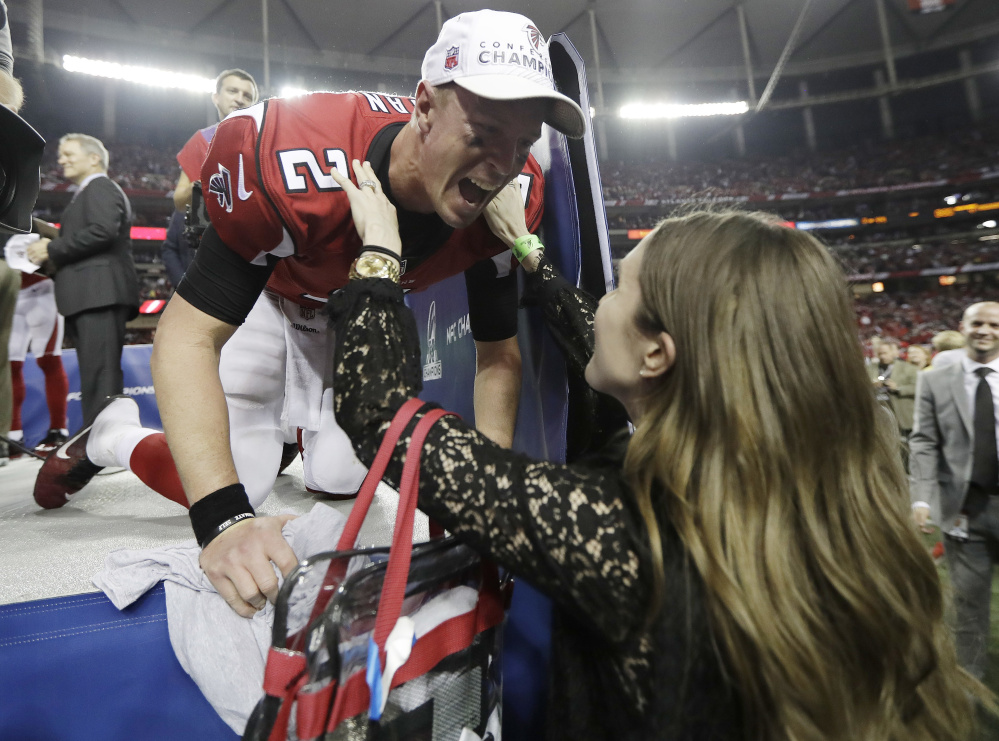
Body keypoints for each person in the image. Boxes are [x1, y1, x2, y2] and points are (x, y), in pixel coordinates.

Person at [323, 164, 989, 740]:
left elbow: (385, 416)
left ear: (656, 354)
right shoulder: (809, 492)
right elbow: (599, 340)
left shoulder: (627, 530)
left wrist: (381, 250)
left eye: (618, 287)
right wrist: (527, 249)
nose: (600, 301)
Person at [34, 10, 584, 617]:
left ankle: (300, 434)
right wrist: (223, 520)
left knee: (347, 478)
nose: (502, 164)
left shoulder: (511, 196)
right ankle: (115, 435)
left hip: (351, 309)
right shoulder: (294, 156)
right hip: (271, 293)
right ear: (424, 108)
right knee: (243, 479)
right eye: (482, 133)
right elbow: (186, 335)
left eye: (522, 142)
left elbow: (497, 354)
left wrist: (483, 498)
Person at [911, 302, 999, 682]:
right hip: (966, 509)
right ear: (962, 326)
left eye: (994, 324)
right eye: (977, 322)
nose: (985, 330)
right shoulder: (934, 380)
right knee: (968, 606)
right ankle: (971, 686)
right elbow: (925, 441)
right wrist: (921, 497)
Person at [26, 134, 139, 427]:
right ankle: (98, 440)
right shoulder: (88, 192)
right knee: (95, 374)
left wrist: (51, 247)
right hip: (90, 293)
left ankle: (104, 443)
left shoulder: (100, 187)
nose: (61, 159)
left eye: (68, 153)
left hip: (98, 293)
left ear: (93, 158)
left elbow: (103, 231)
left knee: (100, 376)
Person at [163, 69, 258, 288]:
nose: (239, 98)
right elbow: (179, 201)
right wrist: (209, 183)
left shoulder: (265, 140)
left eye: (247, 95)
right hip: (212, 251)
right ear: (216, 97)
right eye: (232, 91)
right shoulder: (201, 140)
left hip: (255, 250)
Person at [5, 234, 69, 456]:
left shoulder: (24, 216)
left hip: (42, 290)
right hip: (10, 293)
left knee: (49, 360)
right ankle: (13, 434)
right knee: (9, 366)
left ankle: (58, 430)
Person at [868, 338, 917, 464]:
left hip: (901, 413)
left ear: (894, 352)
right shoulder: (870, 367)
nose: (882, 356)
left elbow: (918, 388)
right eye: (880, 354)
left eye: (885, 353)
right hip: (878, 412)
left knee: (905, 447)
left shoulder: (909, 368)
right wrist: (871, 385)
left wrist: (898, 388)